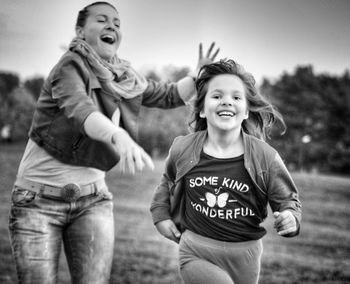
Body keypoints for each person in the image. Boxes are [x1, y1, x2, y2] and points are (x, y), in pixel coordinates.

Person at [8, 1, 219, 283]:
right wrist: (118, 136)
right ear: (80, 31)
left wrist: (197, 76)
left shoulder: (125, 78)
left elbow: (166, 94)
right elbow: (80, 109)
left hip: (93, 201)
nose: (112, 26)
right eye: (102, 20)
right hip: (37, 202)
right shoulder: (69, 67)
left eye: (117, 23)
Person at [150, 59, 302, 284]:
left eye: (236, 97)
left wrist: (290, 219)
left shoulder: (265, 157)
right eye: (217, 96)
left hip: (247, 256)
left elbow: (289, 201)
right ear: (201, 110)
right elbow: (167, 181)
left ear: (247, 111)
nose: (227, 102)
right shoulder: (183, 148)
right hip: (196, 250)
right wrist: (160, 215)